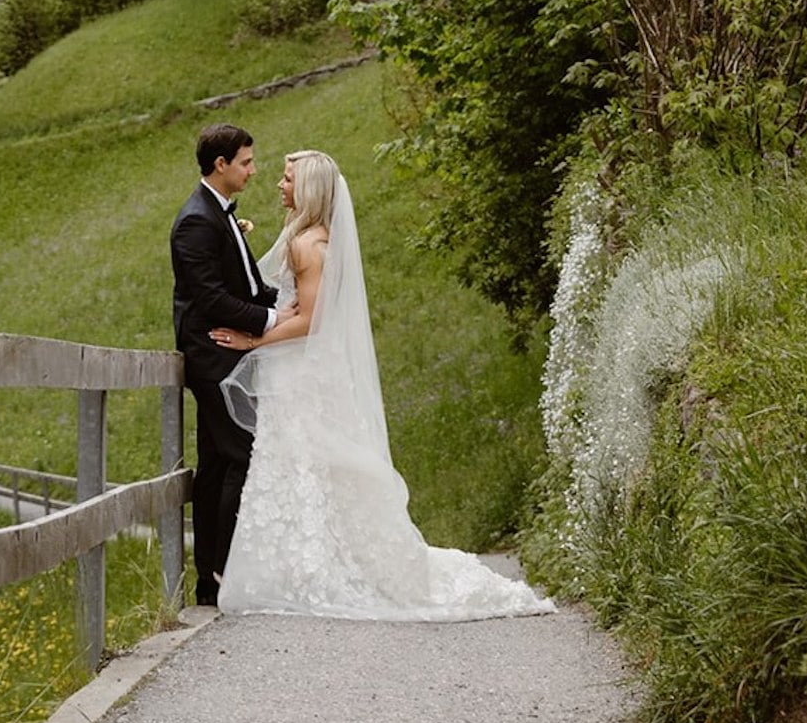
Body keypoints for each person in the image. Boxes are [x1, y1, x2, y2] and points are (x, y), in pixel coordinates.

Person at [210, 149, 553, 621]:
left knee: (302, 466)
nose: (279, 185)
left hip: (298, 374)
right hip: (296, 369)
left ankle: (311, 568)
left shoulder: (309, 245)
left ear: (306, 189)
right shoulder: (313, 239)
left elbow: (310, 321)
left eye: (288, 179)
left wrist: (252, 340)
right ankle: (300, 566)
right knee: (300, 468)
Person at [169, 123, 280, 606]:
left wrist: (293, 305)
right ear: (221, 165)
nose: (253, 171)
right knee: (243, 454)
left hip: (228, 354)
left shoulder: (219, 215)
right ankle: (225, 571)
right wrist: (272, 320)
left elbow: (248, 285)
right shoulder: (196, 220)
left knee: (216, 463)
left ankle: (210, 584)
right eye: (247, 163)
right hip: (212, 356)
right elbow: (210, 298)